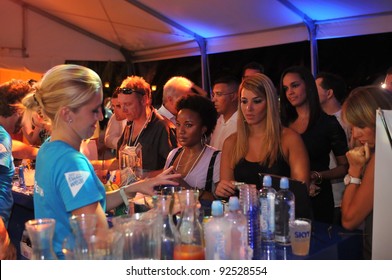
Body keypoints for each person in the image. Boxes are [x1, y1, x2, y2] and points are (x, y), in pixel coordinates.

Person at [22, 64, 181, 259]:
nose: (100, 116)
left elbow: (88, 204)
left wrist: (135, 187)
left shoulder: (48, 148)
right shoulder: (72, 163)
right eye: (94, 110)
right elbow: (101, 239)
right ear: (67, 114)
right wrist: (160, 213)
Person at [215, 73, 309, 199]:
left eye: (257, 101)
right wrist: (222, 189)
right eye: (244, 101)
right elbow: (227, 193)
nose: (249, 108)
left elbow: (301, 192)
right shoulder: (231, 142)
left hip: (281, 216)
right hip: (244, 216)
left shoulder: (289, 139)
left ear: (269, 103)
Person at [280, 66, 349, 224]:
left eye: (295, 85)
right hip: (285, 197)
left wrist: (317, 175)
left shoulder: (327, 123)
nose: (290, 92)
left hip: (317, 197)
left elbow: (345, 167)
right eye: (285, 88)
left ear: (308, 85)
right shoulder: (282, 124)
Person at [340, 86, 392, 259]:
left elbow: (349, 220)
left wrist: (354, 171)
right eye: (352, 127)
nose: (355, 134)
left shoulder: (382, 158)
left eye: (360, 125)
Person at [164, 94, 220, 213]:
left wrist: (186, 188)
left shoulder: (215, 158)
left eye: (188, 125)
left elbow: (220, 202)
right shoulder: (173, 154)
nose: (181, 131)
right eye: (178, 124)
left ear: (203, 128)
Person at [116, 76, 178, 177]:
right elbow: (119, 161)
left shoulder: (162, 127)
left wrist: (144, 175)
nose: (123, 110)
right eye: (121, 105)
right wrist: (99, 165)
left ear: (144, 100)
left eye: (128, 104)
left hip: (154, 191)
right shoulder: (129, 125)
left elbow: (175, 168)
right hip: (131, 189)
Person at [316, 72, 350, 225]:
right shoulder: (316, 121)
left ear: (329, 93)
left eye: (314, 88)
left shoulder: (348, 121)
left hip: (342, 195)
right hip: (321, 193)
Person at [0, 79, 29, 227]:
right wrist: (3, 237)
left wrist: (37, 152)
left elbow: (12, 147)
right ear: (19, 110)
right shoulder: (2, 137)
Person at [209, 74, 240, 150]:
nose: (213, 100)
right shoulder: (218, 121)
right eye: (213, 95)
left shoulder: (241, 124)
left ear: (233, 96)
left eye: (219, 94)